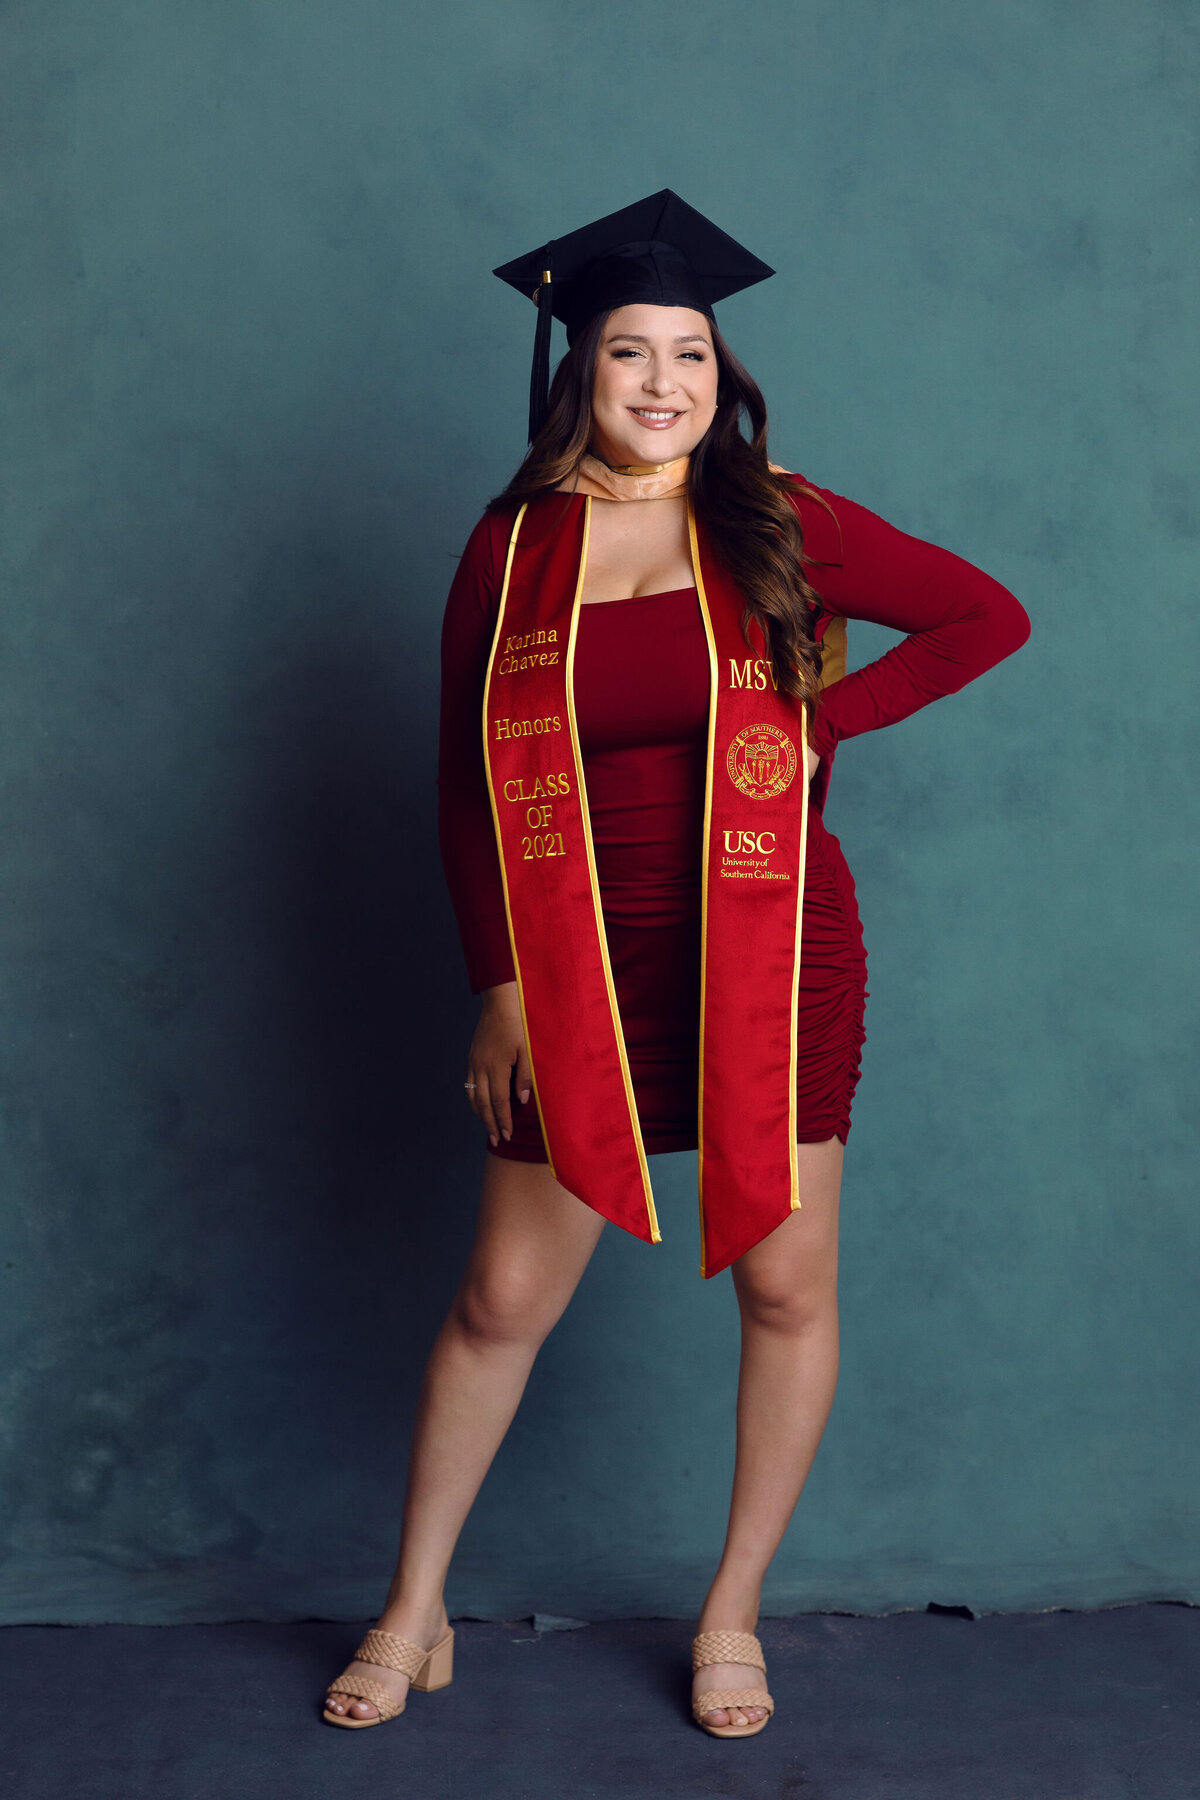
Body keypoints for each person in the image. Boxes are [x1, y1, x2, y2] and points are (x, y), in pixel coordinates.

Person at [322, 190, 1030, 1738]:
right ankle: (416, 1606)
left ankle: (731, 1616)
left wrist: (815, 722)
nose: (662, 383)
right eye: (630, 353)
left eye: (691, 354)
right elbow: (461, 776)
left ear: (722, 373)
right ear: (578, 371)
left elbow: (986, 615)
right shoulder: (513, 552)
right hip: (579, 951)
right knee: (506, 1295)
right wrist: (496, 982)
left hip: (775, 942)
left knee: (785, 1279)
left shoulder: (779, 516)